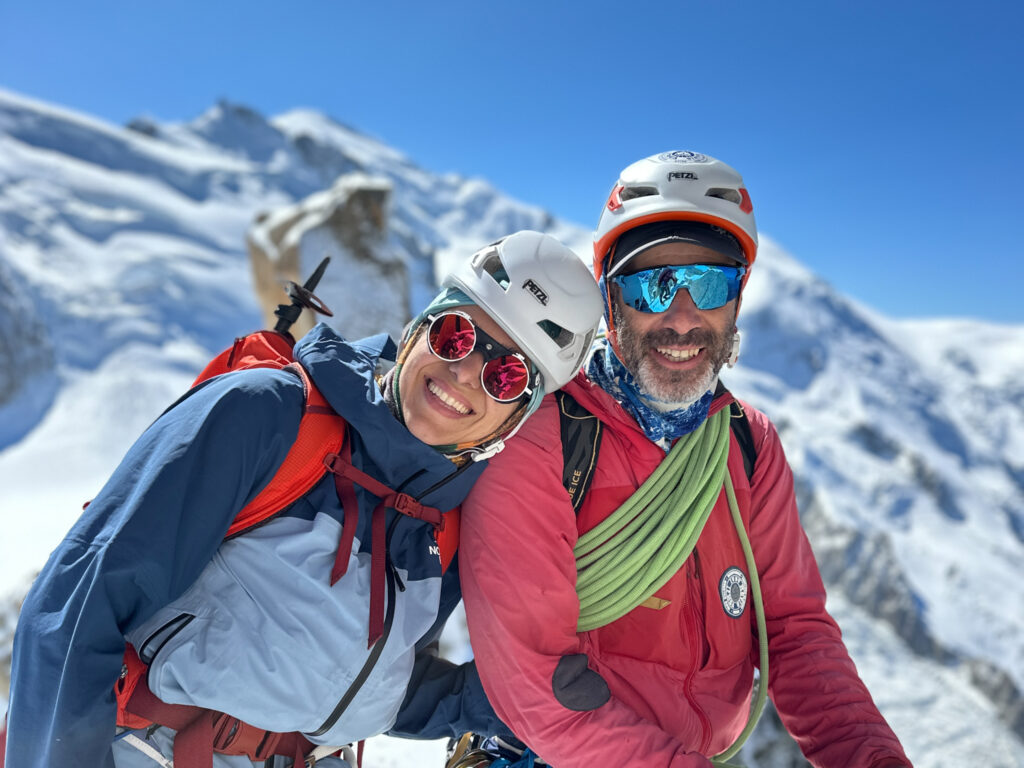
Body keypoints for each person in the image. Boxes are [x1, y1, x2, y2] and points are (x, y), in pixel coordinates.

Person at [3, 230, 604, 768]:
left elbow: (372, 688)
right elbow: (75, 611)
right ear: (423, 324)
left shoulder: (441, 519)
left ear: (518, 416)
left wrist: (519, 697)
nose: (467, 372)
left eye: (508, 376)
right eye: (458, 336)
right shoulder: (265, 415)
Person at [458, 153, 914, 767]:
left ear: (737, 301)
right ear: (610, 300)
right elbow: (539, 679)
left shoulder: (748, 443)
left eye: (709, 285)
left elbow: (795, 633)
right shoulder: (545, 436)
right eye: (651, 285)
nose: (681, 318)